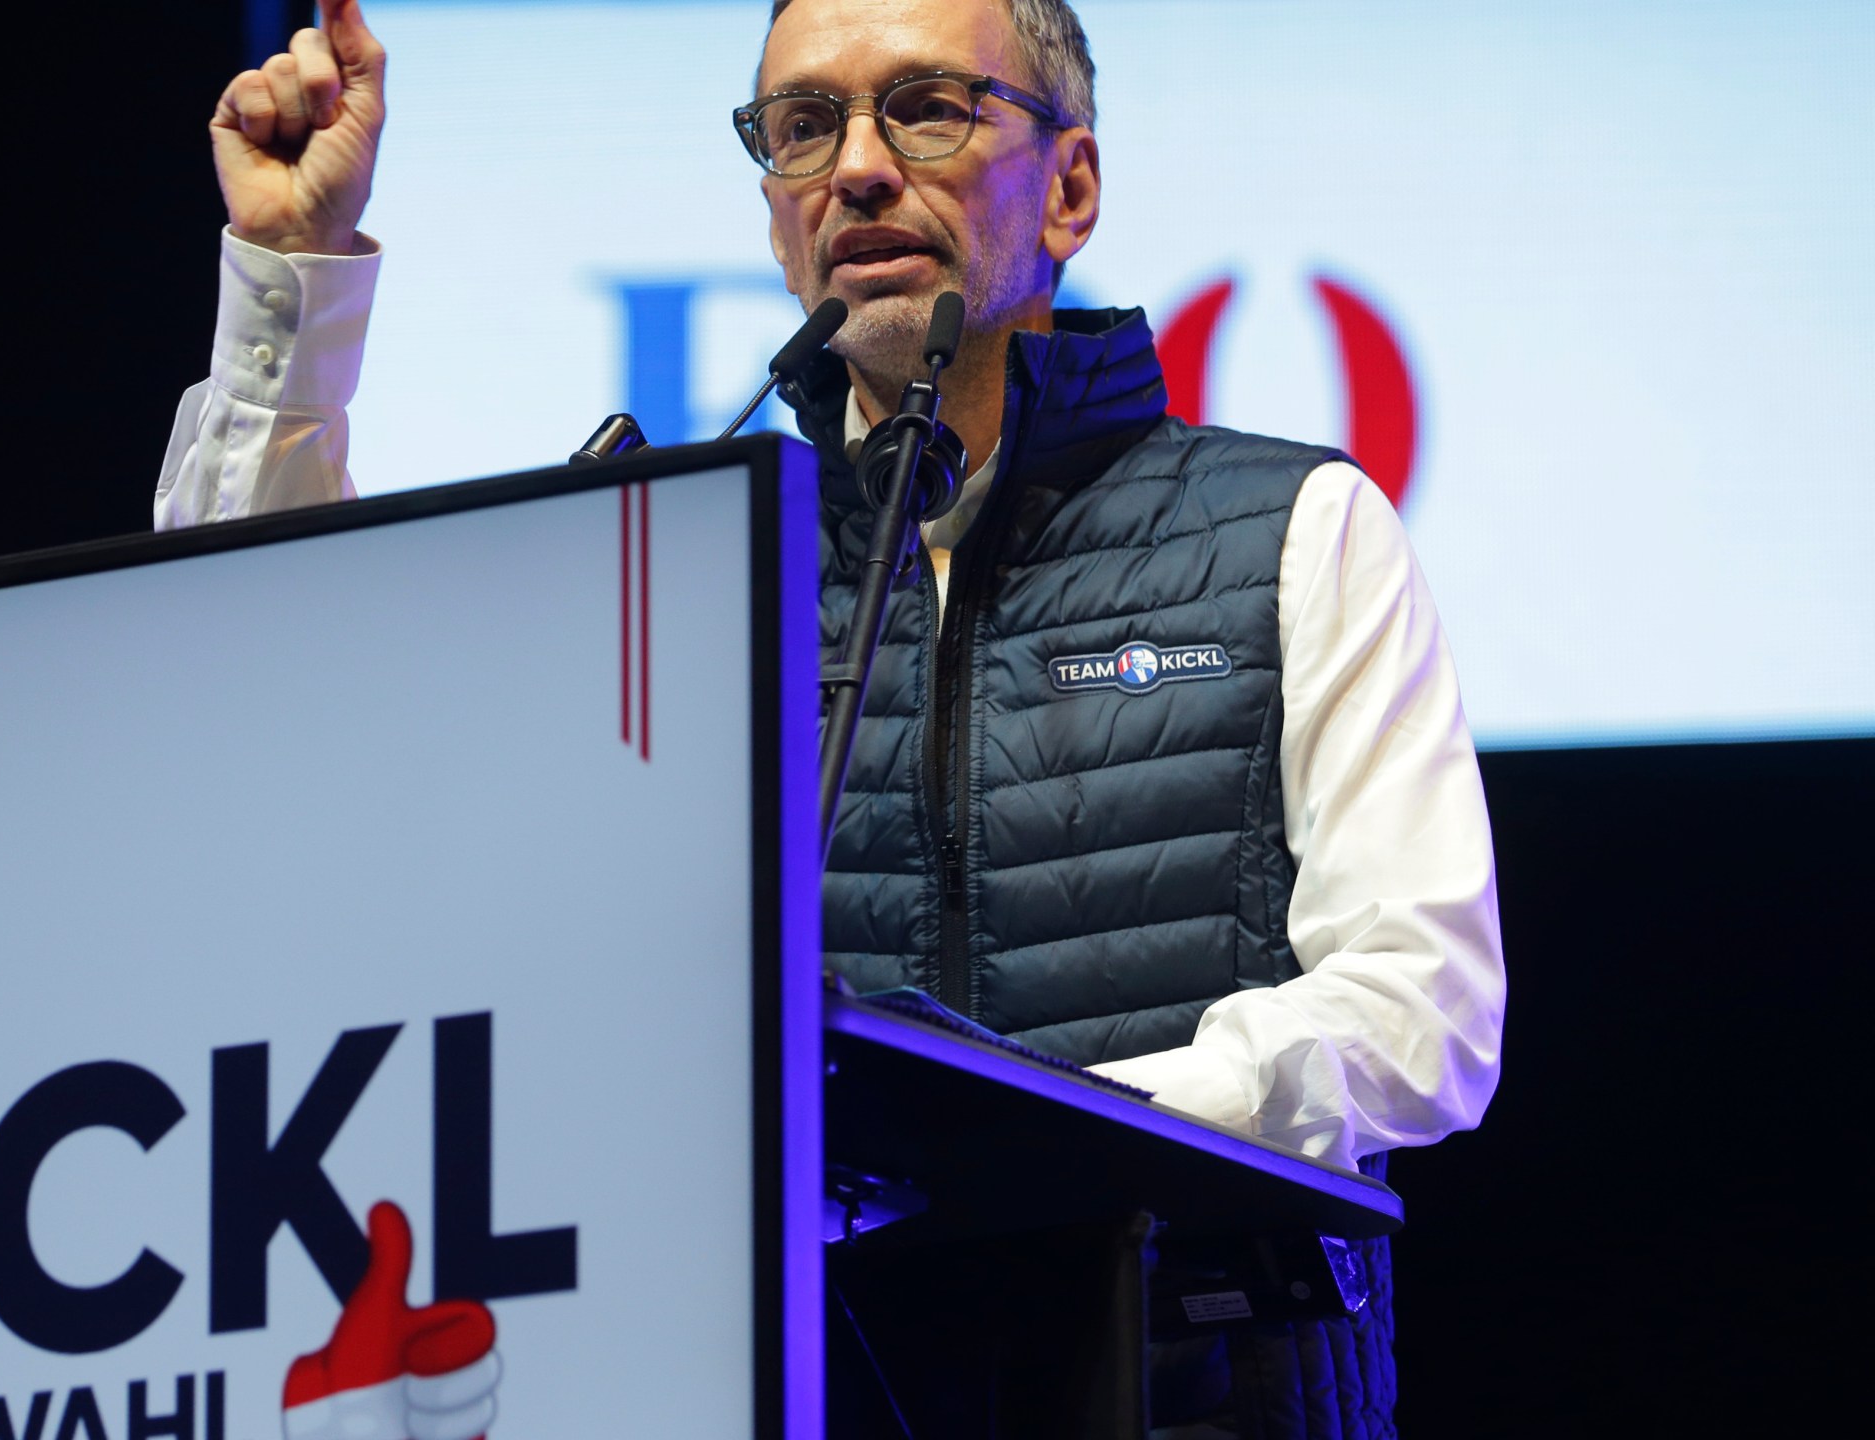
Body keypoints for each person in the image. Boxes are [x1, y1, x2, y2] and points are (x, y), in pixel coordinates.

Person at [158, 2, 1504, 1435]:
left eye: (926, 108)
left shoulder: (1295, 528)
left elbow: (1422, 1014)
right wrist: (289, 279)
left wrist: (1039, 1139)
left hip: (1191, 1393)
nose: (857, 168)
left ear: (1071, 188)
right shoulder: (666, 570)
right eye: (805, 127)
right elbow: (282, 703)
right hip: (802, 1387)